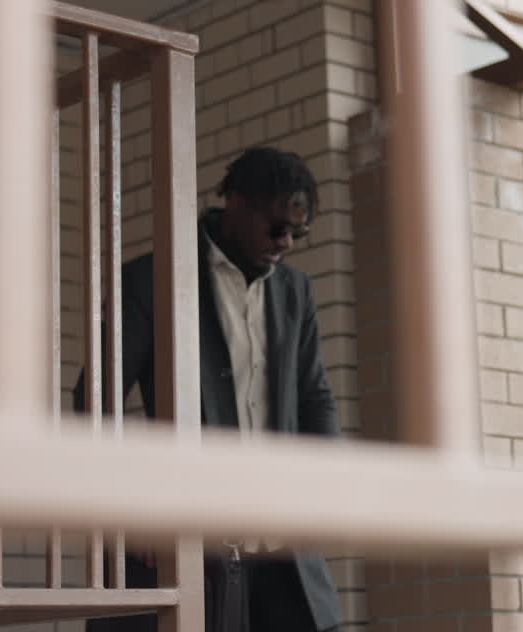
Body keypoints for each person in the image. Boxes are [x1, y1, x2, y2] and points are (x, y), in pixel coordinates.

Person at [74, 146, 342, 632]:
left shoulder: (295, 291)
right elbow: (94, 400)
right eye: (277, 226)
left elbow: (314, 397)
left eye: (298, 232)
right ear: (235, 202)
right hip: (188, 536)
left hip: (281, 543)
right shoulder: (152, 280)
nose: (286, 243)